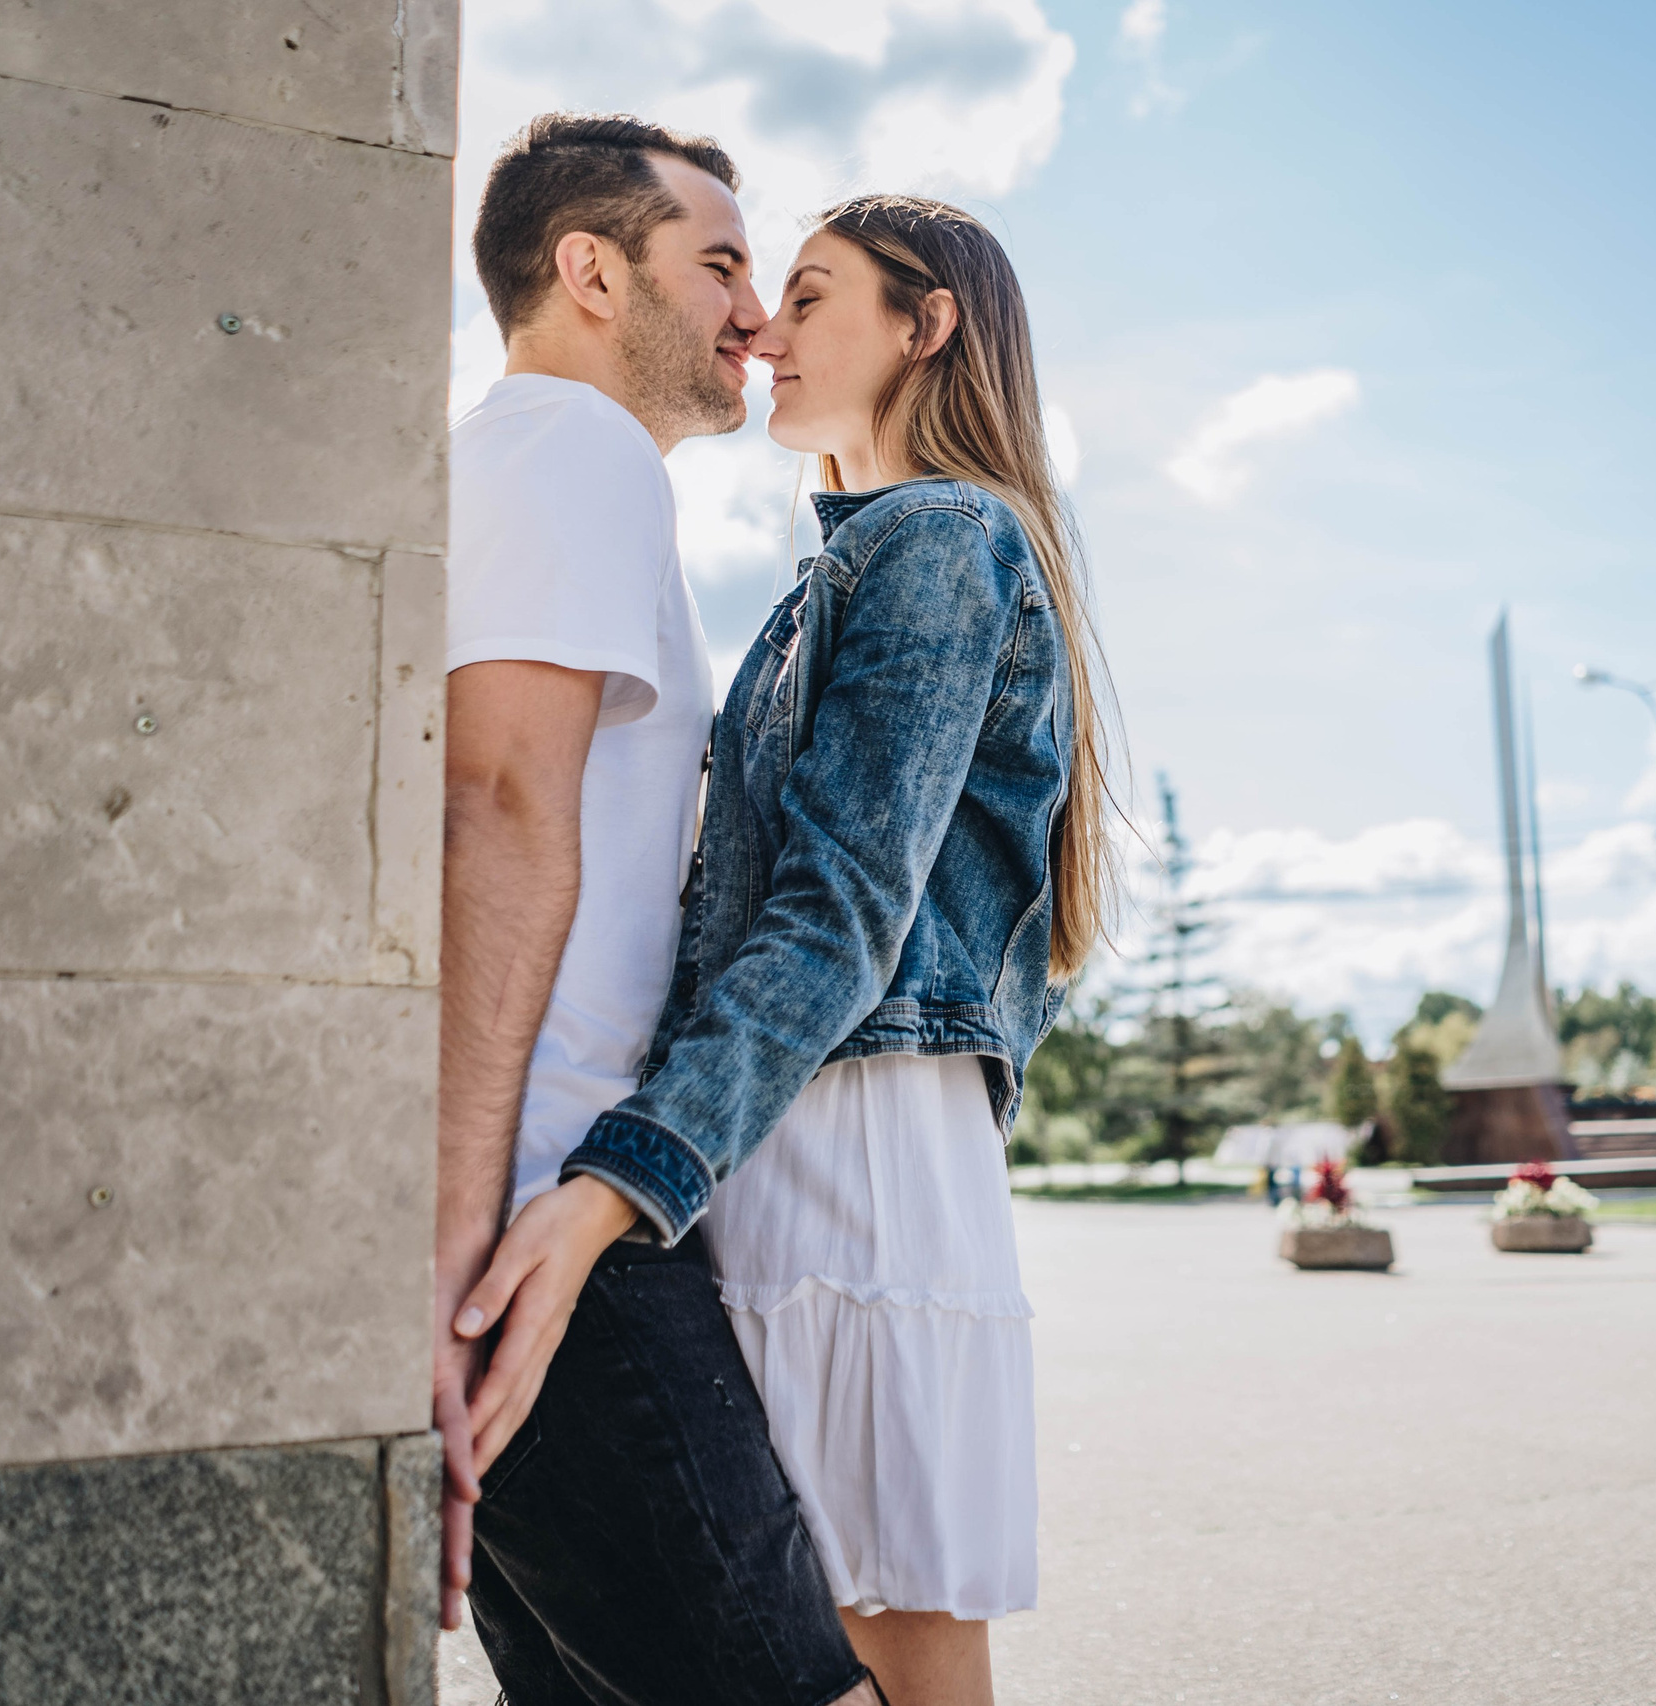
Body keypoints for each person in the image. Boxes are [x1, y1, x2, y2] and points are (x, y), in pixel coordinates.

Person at [560, 194, 1114, 1706]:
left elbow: (844, 912)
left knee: (884, 1636)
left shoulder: (939, 534)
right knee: (796, 1632)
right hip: (802, 1126)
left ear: (924, 325)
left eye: (809, 297)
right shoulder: (847, 567)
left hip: (849, 1139)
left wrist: (640, 1158)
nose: (765, 329)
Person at [434, 112, 877, 1706]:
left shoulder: (509, 463)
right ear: (590, 274)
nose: (754, 316)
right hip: (551, 1232)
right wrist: (458, 1244)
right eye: (720, 263)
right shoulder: (573, 451)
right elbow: (498, 810)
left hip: (520, 1220)